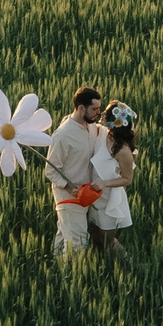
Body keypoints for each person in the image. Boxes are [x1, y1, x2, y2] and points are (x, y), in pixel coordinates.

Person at [44, 86, 107, 258]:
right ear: (81, 108)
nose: (98, 113)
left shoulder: (93, 127)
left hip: (87, 194)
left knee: (65, 236)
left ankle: (56, 274)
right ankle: (70, 281)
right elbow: (50, 170)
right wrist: (70, 187)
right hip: (69, 195)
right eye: (94, 109)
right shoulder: (63, 135)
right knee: (77, 242)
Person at [91, 101, 138, 257]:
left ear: (114, 122)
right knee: (94, 235)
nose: (101, 116)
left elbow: (127, 179)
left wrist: (104, 183)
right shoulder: (101, 132)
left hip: (109, 197)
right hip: (92, 193)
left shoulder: (124, 150)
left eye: (105, 114)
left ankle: (128, 264)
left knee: (107, 240)